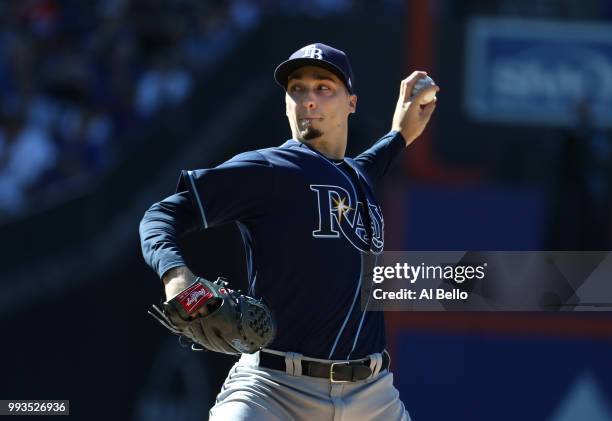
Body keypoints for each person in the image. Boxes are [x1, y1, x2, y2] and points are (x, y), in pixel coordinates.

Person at [139, 42, 438, 421]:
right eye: (296, 89)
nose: (307, 100)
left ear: (351, 103)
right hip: (274, 389)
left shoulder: (357, 176)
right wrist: (177, 276)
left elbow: (372, 162)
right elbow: (161, 214)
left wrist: (399, 133)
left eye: (323, 88)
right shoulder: (269, 168)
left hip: (372, 395)